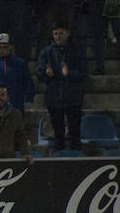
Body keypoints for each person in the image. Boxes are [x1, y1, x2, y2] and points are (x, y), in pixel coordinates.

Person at [36, 23, 87, 151]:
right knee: (58, 132)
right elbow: (40, 73)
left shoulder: (76, 50)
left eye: (61, 33)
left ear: (67, 33)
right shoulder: (46, 52)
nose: (58, 36)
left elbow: (84, 72)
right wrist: (47, 74)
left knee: (75, 133)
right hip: (54, 97)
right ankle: (59, 159)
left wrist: (68, 74)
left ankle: (76, 158)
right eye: (55, 34)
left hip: (73, 97)